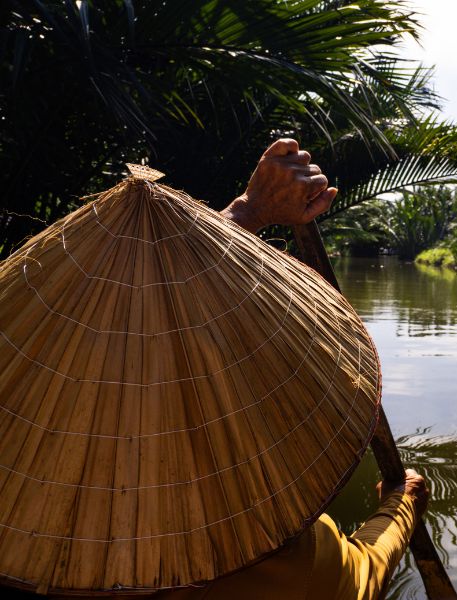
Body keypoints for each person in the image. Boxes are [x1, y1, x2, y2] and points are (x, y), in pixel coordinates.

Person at [0, 138, 429, 600]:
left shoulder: (26, 532)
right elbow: (365, 570)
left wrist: (248, 211)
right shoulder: (286, 568)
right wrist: (402, 504)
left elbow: (137, 296)